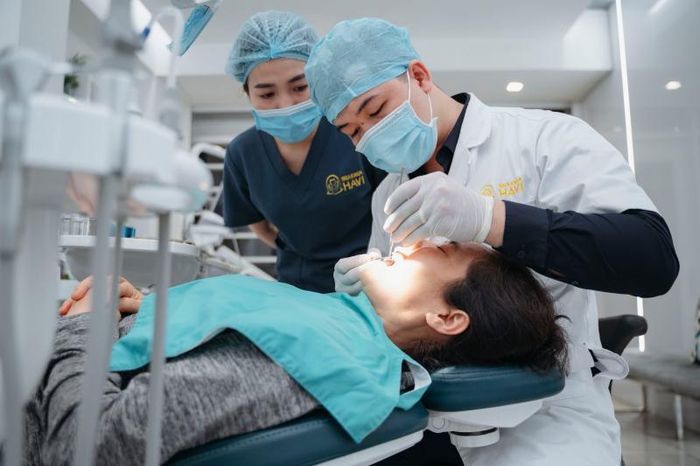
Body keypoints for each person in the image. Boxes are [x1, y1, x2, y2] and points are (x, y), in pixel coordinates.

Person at [304, 18, 680, 465]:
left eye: (375, 109)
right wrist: (361, 300)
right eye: (352, 131)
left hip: (551, 414)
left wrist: (492, 219)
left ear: (419, 76)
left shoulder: (543, 140)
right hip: (434, 413)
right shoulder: (388, 194)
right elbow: (405, 325)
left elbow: (652, 260)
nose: (368, 133)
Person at [25, 242, 565, 465]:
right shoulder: (326, 322)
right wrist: (145, 310)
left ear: (447, 317)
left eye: (440, 250)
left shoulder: (307, 359)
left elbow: (82, 448)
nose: (415, 242)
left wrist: (82, 327)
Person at [221, 11, 385, 293]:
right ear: (248, 95)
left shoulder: (354, 131)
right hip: (296, 288)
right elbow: (256, 223)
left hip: (368, 283)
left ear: (318, 80)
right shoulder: (242, 154)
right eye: (267, 94)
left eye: (299, 87)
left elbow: (392, 210)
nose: (285, 104)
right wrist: (296, 251)